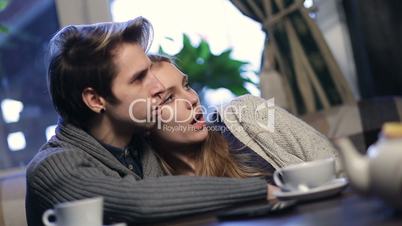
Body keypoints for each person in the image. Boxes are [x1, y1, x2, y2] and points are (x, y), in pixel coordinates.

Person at [25, 17, 277, 226]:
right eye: (138, 78)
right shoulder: (53, 167)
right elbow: (137, 202)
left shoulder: (142, 146)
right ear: (95, 99)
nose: (157, 87)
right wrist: (262, 191)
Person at [145, 54, 341, 181]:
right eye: (169, 98)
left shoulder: (247, 113)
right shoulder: (156, 184)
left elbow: (337, 166)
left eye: (186, 85)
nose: (192, 98)